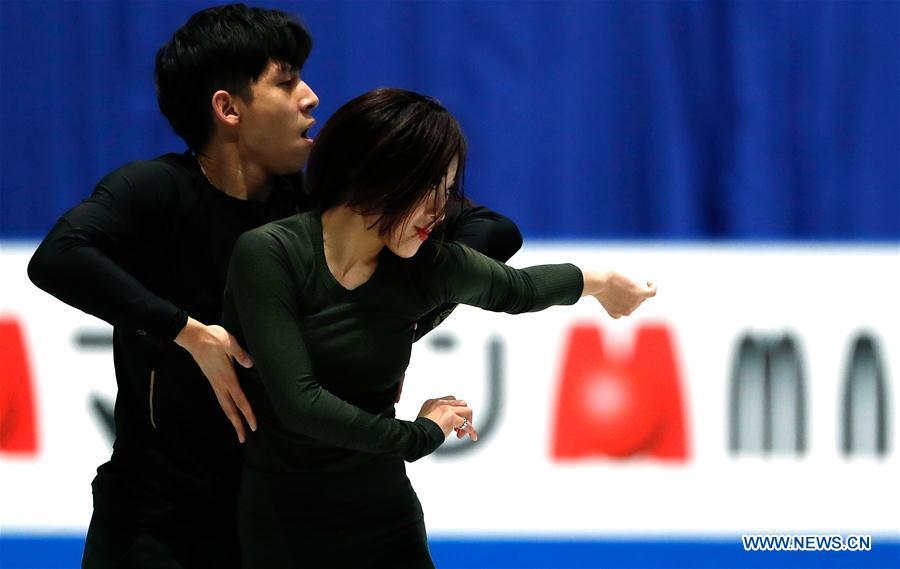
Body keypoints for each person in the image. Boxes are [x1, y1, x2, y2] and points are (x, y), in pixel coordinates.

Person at [26, 5, 523, 569]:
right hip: (163, 515)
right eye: (286, 83)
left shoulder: (324, 204)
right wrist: (189, 334)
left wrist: (406, 311)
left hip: (289, 514)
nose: (311, 97)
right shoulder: (156, 190)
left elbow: (491, 229)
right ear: (228, 108)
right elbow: (58, 258)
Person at [223, 88, 656, 568]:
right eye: (431, 187)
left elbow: (518, 290)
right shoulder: (269, 254)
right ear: (377, 171)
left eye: (448, 191)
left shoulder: (427, 265)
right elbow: (301, 404)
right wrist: (420, 434)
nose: (442, 209)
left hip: (384, 518)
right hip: (283, 523)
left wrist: (601, 283)